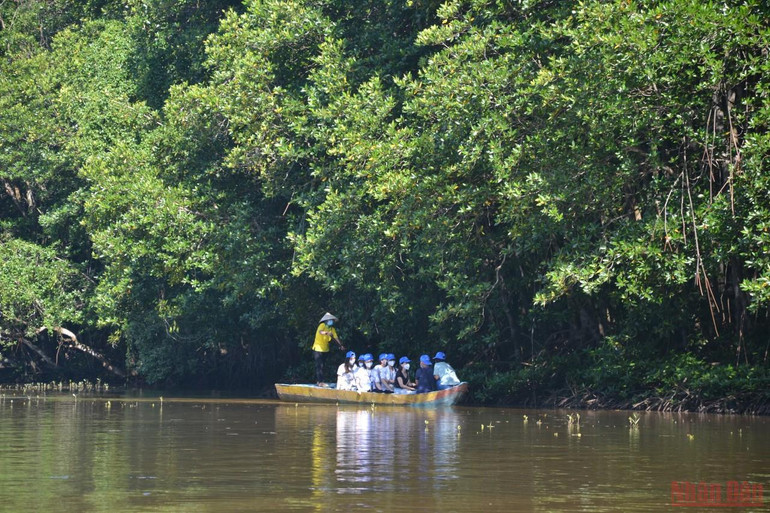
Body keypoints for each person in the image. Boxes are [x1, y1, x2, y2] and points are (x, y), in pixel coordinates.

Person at [312, 312, 344, 386]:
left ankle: (320, 381)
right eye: (330, 320)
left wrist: (341, 345)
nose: (331, 321)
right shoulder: (322, 325)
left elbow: (336, 338)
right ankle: (320, 382)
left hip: (325, 349)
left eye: (332, 320)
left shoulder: (332, 329)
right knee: (319, 366)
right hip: (317, 348)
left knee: (323, 365)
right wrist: (327, 333)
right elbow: (320, 332)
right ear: (326, 320)